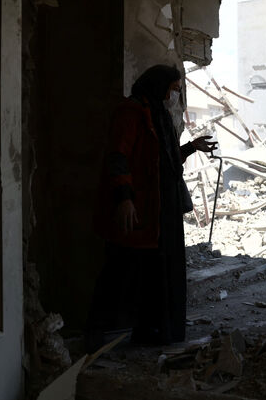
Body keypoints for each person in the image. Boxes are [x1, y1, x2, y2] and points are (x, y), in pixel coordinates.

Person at [87, 64, 217, 350]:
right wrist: (124, 198)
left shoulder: (159, 115)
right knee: (122, 271)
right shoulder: (132, 113)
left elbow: (164, 162)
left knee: (157, 274)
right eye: (173, 89)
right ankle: (99, 334)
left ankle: (153, 331)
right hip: (141, 209)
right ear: (159, 86)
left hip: (163, 210)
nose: (174, 95)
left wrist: (191, 147)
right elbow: (118, 157)